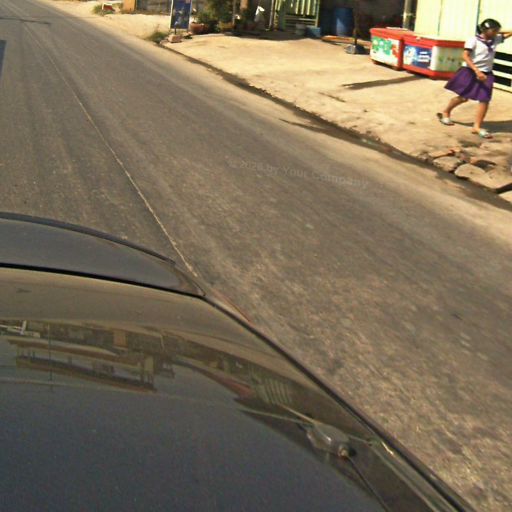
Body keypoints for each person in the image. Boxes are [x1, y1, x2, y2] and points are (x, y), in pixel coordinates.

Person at [438, 19, 512, 139]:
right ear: (484, 30)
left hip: (486, 73)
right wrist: (477, 71)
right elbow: (465, 55)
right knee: (463, 97)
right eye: (493, 30)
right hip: (471, 71)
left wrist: (498, 30)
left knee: (484, 99)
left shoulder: (495, 39)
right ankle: (446, 112)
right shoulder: (473, 40)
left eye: (496, 31)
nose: (495, 33)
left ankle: (476, 126)